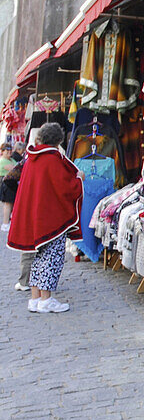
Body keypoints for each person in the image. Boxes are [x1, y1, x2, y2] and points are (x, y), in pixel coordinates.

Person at [7, 122, 84, 313]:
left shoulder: (32, 158)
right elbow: (65, 188)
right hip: (51, 219)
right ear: (58, 140)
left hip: (36, 218)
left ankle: (35, 299)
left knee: (38, 259)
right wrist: (79, 179)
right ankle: (46, 300)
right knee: (52, 258)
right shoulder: (51, 159)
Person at [0, 143, 17, 229]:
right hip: (6, 184)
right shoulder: (3, 161)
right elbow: (14, 168)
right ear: (2, 151)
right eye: (7, 150)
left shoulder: (11, 159)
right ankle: (5, 223)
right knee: (8, 204)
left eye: (10, 150)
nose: (9, 152)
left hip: (12, 183)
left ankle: (9, 222)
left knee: (12, 203)